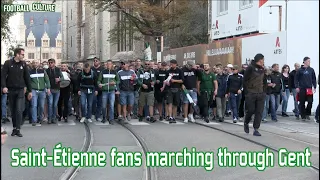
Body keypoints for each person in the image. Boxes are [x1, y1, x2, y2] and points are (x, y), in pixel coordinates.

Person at [1, 48, 32, 137]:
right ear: (17, 55)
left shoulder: (23, 64)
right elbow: (3, 76)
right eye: (22, 54)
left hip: (20, 90)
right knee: (13, 110)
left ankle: (18, 129)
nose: (23, 56)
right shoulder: (8, 63)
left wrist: (30, 91)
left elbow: (27, 77)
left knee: (19, 110)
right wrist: (4, 87)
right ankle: (14, 128)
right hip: (10, 90)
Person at [243, 53, 266, 136]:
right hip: (251, 93)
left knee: (259, 111)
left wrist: (264, 91)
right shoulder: (250, 68)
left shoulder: (262, 69)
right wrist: (247, 92)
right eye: (263, 60)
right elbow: (245, 80)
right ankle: (246, 122)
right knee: (251, 110)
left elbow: (264, 81)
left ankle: (256, 129)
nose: (263, 61)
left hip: (260, 93)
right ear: (260, 60)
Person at [29, 60, 51, 126]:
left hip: (42, 90)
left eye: (36, 62)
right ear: (32, 64)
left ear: (39, 64)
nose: (35, 64)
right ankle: (34, 120)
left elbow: (47, 80)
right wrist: (29, 90)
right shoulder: (30, 72)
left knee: (41, 105)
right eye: (34, 63)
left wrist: (48, 88)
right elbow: (28, 81)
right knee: (34, 105)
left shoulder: (43, 71)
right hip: (34, 90)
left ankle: (40, 118)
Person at [97, 60, 119, 124]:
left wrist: (114, 83)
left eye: (110, 64)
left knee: (111, 105)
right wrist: (99, 84)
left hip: (112, 91)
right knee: (104, 106)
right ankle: (104, 117)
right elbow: (99, 80)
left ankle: (111, 119)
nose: (108, 65)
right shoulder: (103, 72)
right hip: (104, 91)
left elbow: (118, 81)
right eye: (107, 64)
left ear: (112, 65)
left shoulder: (114, 72)